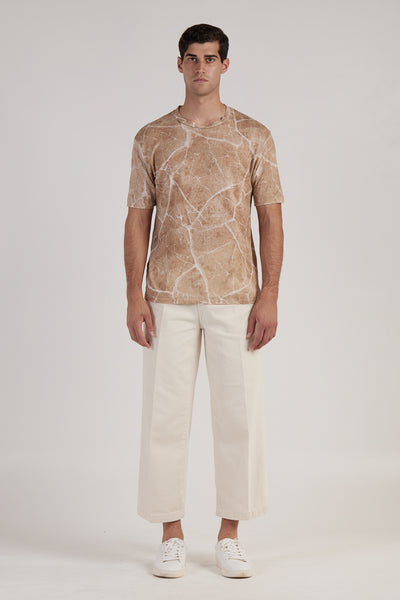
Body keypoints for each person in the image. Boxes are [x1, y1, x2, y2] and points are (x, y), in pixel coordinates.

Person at [124, 23, 285, 579]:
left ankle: (230, 534)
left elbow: (271, 219)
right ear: (179, 64)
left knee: (239, 418)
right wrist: (133, 294)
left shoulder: (253, 136)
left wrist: (269, 294)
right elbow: (137, 218)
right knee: (164, 418)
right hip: (167, 295)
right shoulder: (152, 137)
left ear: (225, 65)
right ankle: (170, 534)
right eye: (191, 58)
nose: (200, 67)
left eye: (210, 58)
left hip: (236, 296)